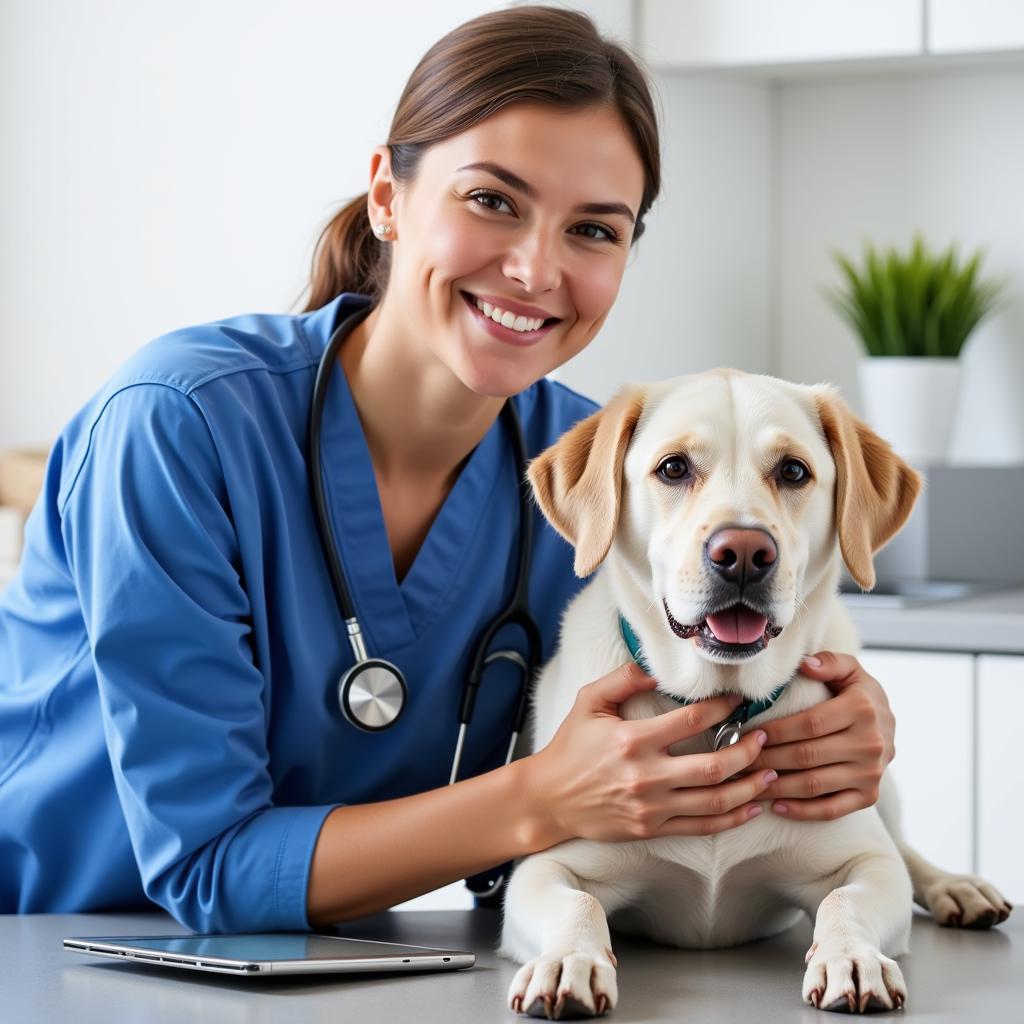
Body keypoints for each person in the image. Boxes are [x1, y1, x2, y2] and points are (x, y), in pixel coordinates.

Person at [0, 6, 896, 933]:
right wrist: (543, 798)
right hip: (41, 950)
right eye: (493, 200)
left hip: (322, 966)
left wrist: (827, 729)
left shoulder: (605, 478)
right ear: (387, 194)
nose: (535, 269)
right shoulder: (176, 427)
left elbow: (652, 756)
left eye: (594, 230)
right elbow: (208, 866)